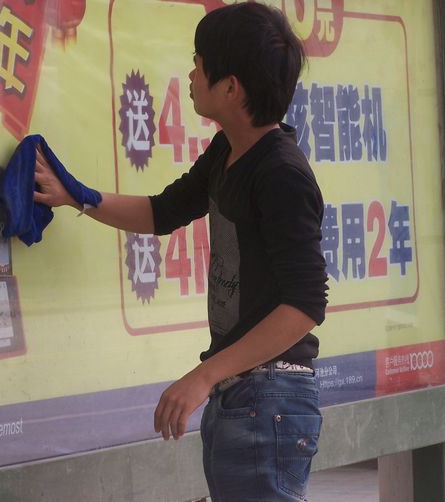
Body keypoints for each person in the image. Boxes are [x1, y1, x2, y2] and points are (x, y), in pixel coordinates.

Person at [33, 4, 328, 500]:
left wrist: (203, 375)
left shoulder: (280, 173)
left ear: (230, 88)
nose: (191, 73)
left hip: (270, 396)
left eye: (199, 63)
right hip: (244, 393)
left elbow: (304, 306)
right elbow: (162, 212)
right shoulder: (228, 151)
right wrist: (75, 196)